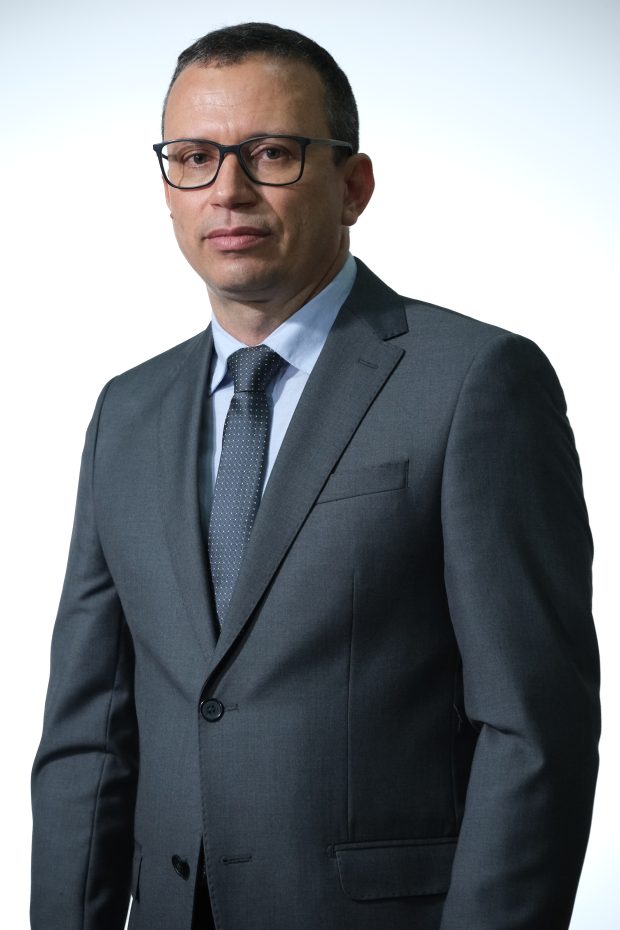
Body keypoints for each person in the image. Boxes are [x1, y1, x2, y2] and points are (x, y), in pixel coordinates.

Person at [31, 21, 600, 930]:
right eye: (195, 157)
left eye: (272, 153)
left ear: (354, 185)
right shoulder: (126, 412)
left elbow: (534, 729)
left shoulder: (476, 383)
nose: (228, 191)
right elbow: (87, 733)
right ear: (168, 188)